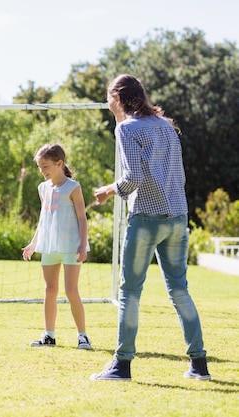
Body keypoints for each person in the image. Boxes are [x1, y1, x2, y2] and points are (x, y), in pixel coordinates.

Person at [91, 74, 210, 381]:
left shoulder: (126, 128)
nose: (107, 103)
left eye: (108, 97)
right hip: (178, 218)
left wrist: (108, 189)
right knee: (180, 290)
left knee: (129, 292)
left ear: (117, 97)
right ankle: (199, 365)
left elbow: (133, 178)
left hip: (146, 218)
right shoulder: (166, 126)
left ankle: (122, 365)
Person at [22, 144, 91, 350]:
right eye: (40, 167)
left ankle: (83, 337)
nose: (42, 171)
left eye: (45, 166)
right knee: (49, 290)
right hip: (49, 247)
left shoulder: (73, 188)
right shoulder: (43, 189)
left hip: (71, 247)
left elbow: (82, 218)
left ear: (59, 163)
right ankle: (49, 336)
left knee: (71, 291)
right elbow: (43, 219)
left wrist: (82, 245)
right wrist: (34, 243)